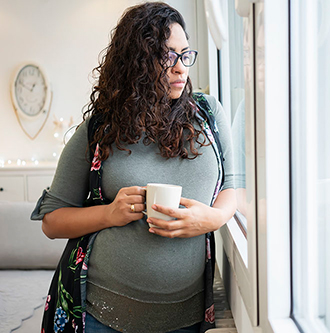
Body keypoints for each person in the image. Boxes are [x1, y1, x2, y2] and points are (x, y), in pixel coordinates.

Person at [31, 2, 236, 333]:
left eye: (185, 55)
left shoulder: (208, 116)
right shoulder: (99, 129)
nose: (181, 68)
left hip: (186, 315)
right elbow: (52, 221)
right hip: (103, 314)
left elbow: (233, 185)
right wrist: (109, 213)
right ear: (136, 62)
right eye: (166, 56)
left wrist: (214, 217)